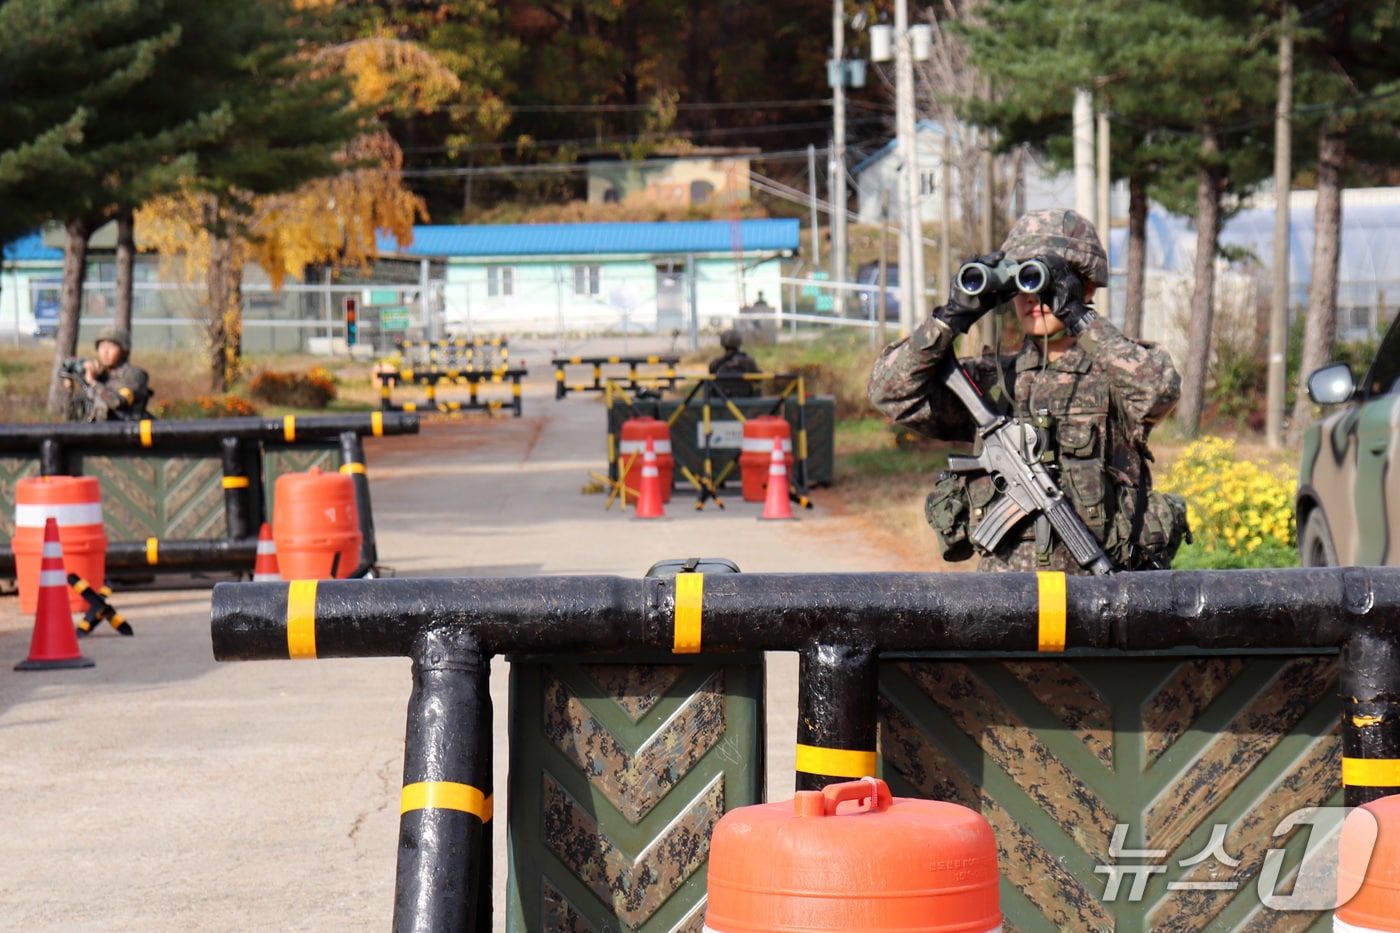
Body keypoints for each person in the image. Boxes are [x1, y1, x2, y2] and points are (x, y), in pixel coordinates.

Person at [867, 208, 1188, 573]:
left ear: (1086, 285)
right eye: (1023, 282)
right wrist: (950, 318)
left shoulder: (1116, 372)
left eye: (1046, 280)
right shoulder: (991, 381)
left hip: (1102, 598)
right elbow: (888, 391)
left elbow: (1159, 390)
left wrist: (1080, 317)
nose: (1032, 297)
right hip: (1008, 606)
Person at [75, 327, 152, 421]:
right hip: (99, 432)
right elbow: (72, 415)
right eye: (102, 346)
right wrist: (70, 385)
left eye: (111, 347)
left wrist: (94, 383)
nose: (105, 352)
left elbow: (117, 402)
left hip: (127, 431)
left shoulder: (134, 375)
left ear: (124, 351)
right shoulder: (100, 377)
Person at [709, 328, 761, 398]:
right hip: (744, 400)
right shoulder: (748, 361)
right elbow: (758, 378)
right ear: (739, 342)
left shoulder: (715, 363)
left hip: (720, 400)